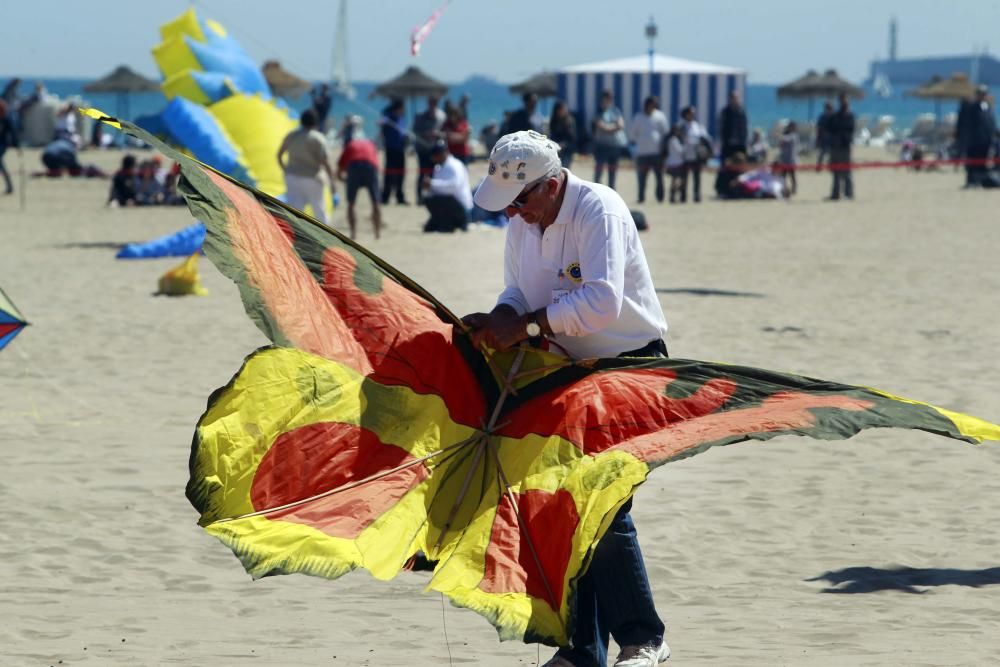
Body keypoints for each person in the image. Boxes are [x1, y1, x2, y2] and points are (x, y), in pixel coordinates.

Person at [464, 130, 670, 667]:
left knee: (603, 496)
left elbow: (602, 302)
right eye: (505, 205)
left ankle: (643, 638)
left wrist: (526, 328)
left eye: (520, 200)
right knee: (567, 504)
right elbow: (518, 292)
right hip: (563, 365)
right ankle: (581, 648)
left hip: (628, 363)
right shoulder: (522, 223)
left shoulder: (598, 207)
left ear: (551, 185)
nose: (512, 213)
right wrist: (500, 319)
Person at [277, 108, 336, 224]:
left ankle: (295, 238)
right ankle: (325, 239)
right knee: (319, 210)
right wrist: (332, 182)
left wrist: (285, 169)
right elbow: (325, 162)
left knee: (294, 212)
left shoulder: (292, 135)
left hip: (292, 176)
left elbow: (279, 155)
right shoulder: (318, 138)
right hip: (312, 177)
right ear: (316, 122)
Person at [337, 116, 382, 240]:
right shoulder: (370, 144)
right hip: (370, 167)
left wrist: (342, 178)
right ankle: (377, 233)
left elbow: (340, 167)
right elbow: (375, 161)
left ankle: (353, 233)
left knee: (351, 203)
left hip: (355, 167)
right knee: (375, 202)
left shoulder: (350, 144)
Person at [422, 140, 472, 233]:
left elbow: (453, 187)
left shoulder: (454, 165)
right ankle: (440, 222)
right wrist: (426, 190)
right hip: (450, 205)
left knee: (442, 199)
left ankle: (449, 225)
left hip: (462, 209)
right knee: (428, 199)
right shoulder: (439, 167)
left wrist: (431, 183)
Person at [629, 96, 669, 204]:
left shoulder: (660, 116)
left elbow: (665, 133)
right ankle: (641, 197)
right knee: (642, 177)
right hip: (642, 152)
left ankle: (660, 197)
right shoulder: (639, 117)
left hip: (657, 152)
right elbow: (633, 134)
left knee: (659, 176)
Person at [956, 85, 997, 188]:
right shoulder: (971, 107)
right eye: (980, 93)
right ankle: (971, 181)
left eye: (984, 94)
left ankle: (983, 181)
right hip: (973, 141)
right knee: (972, 162)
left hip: (986, 141)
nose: (982, 96)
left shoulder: (987, 107)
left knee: (983, 162)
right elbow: (963, 120)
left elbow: (991, 124)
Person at [413, 95, 446, 204]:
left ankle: (431, 196)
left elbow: (445, 132)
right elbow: (415, 132)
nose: (433, 104)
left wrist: (438, 134)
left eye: (435, 102)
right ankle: (419, 197)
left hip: (434, 150)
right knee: (422, 173)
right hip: (422, 149)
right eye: (432, 102)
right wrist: (425, 134)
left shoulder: (441, 116)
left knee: (434, 173)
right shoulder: (420, 116)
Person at [592, 90, 627, 190]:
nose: (609, 100)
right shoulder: (599, 111)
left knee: (613, 171)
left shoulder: (615, 110)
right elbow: (603, 127)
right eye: (607, 97)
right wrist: (614, 127)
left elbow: (621, 125)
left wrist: (610, 127)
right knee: (599, 170)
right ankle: (597, 189)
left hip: (614, 146)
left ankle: (612, 190)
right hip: (602, 145)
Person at [378, 99, 409, 205]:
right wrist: (384, 122)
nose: (404, 110)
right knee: (389, 174)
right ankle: (385, 196)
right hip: (391, 149)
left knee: (401, 173)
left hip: (401, 149)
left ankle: (399, 197)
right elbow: (381, 122)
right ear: (398, 108)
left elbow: (403, 132)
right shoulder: (389, 116)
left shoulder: (401, 118)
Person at [680, 105, 711, 203]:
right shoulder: (681, 126)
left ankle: (696, 196)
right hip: (684, 155)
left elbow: (705, 138)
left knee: (697, 177)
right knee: (684, 177)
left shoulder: (698, 126)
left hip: (696, 155)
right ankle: (683, 196)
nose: (692, 115)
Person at [827, 93, 855, 200]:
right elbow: (829, 128)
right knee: (835, 172)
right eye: (842, 100)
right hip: (835, 146)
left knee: (846, 171)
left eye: (845, 101)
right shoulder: (835, 116)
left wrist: (841, 137)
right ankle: (836, 193)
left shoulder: (850, 116)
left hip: (845, 146)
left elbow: (850, 130)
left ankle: (849, 193)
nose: (844, 103)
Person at [0, 99, 21, 195]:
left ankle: (10, 186)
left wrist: (17, 146)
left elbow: (13, 133)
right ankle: (9, 186)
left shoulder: (7, 119)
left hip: (2, 144)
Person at [549, 101, 578, 168]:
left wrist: (564, 144)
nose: (563, 111)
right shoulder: (553, 121)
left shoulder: (569, 121)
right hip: (556, 150)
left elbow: (573, 137)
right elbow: (552, 135)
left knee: (565, 169)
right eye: (561, 110)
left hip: (567, 150)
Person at [664, 124, 686, 204]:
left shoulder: (672, 139)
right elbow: (680, 150)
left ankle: (673, 196)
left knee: (675, 181)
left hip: (674, 162)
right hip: (675, 163)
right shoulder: (673, 140)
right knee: (676, 181)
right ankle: (672, 196)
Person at [777, 121, 799, 196]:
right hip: (784, 159)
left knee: (792, 175)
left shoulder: (794, 135)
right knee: (783, 176)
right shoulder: (785, 134)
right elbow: (780, 144)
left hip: (791, 160)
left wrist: (780, 136)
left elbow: (787, 139)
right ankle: (783, 188)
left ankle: (794, 189)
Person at [815, 102, 834, 167]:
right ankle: (819, 166)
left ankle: (830, 165)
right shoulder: (822, 117)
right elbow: (819, 128)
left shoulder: (834, 117)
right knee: (822, 153)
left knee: (832, 154)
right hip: (824, 139)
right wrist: (818, 138)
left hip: (832, 139)